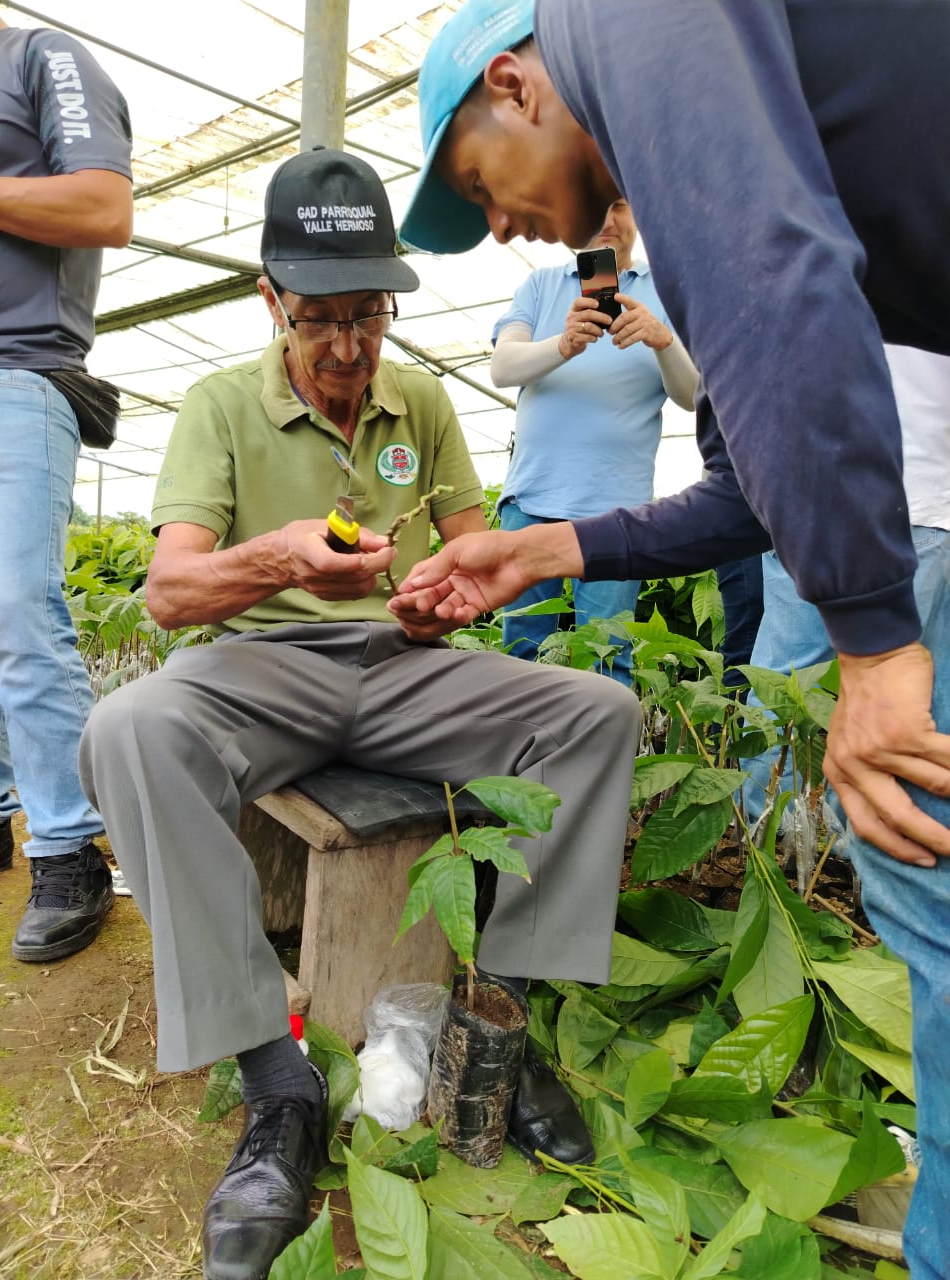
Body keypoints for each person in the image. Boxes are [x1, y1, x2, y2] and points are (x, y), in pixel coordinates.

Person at [393, 4, 950, 1275]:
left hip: (923, 517)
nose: (499, 227)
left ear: (513, 83)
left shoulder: (630, 18)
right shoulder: (714, 108)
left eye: (477, 186)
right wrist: (542, 549)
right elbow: (752, 484)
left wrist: (875, 650)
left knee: (925, 881)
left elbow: (778, 283)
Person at [78, 147, 641, 1280]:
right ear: (271, 299)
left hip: (403, 659)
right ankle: (274, 1082)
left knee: (597, 711)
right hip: (263, 661)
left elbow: (479, 542)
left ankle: (500, 1023)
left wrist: (454, 591)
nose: (347, 346)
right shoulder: (220, 406)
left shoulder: (418, 398)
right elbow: (172, 592)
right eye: (321, 319)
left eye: (368, 315)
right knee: (130, 728)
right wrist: (277, 559)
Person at [0, 5, 132, 957]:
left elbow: (102, 207)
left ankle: (70, 850)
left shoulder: (41, 56)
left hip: (15, 371)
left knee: (15, 608)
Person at [491, 197, 698, 684]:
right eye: (596, 207)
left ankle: (596, 739)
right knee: (519, 653)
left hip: (616, 511)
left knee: (608, 660)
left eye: (620, 206)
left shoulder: (668, 291)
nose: (608, 221)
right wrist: (564, 344)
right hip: (532, 500)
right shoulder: (541, 285)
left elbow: (692, 397)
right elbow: (502, 367)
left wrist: (663, 340)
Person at [745, 345, 950, 824]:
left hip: (806, 496)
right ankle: (863, 841)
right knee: (899, 695)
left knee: (785, 678)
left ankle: (765, 831)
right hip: (914, 498)